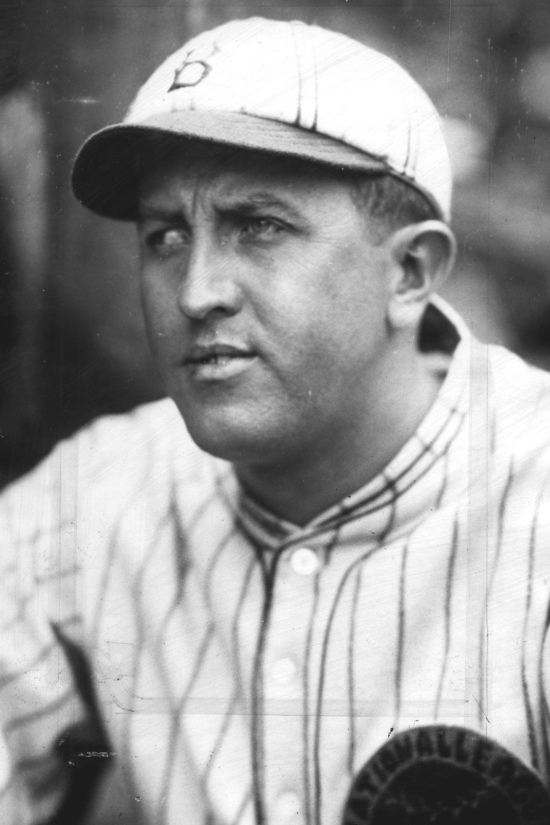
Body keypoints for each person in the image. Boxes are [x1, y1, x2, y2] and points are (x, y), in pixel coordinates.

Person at [2, 15, 550, 825]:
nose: (196, 292)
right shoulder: (99, 491)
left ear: (410, 271)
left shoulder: (534, 495)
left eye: (260, 226)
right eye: (166, 235)